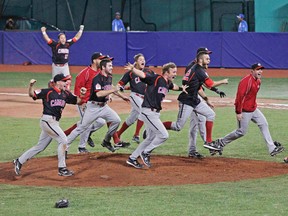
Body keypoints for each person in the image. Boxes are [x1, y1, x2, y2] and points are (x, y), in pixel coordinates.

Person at [13, 74, 87, 177]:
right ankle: (62, 168)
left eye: (66, 81)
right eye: (64, 81)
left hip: (54, 123)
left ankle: (19, 161)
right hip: (47, 120)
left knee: (40, 146)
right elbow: (32, 95)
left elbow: (78, 101)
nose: (66, 83)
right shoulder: (48, 92)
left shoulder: (66, 94)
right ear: (57, 82)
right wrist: (31, 86)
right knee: (63, 140)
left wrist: (82, 95)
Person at [162, 48, 227, 158]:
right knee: (179, 126)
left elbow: (196, 85)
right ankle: (156, 128)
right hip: (187, 100)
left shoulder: (196, 68)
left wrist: (207, 99)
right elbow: (209, 84)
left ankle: (208, 142)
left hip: (195, 99)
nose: (209, 59)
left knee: (210, 114)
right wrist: (222, 82)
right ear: (200, 59)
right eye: (207, 57)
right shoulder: (198, 69)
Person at [213, 63, 284, 156]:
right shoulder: (246, 81)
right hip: (244, 111)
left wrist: (253, 106)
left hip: (253, 109)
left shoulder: (258, 81)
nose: (260, 71)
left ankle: (272, 148)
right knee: (241, 132)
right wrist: (238, 112)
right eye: (258, 69)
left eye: (261, 69)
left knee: (264, 123)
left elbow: (252, 97)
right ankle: (220, 143)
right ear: (252, 71)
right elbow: (239, 97)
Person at [126, 62, 183, 169]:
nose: (175, 74)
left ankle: (132, 158)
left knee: (150, 138)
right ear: (166, 72)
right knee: (164, 135)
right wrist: (133, 69)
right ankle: (146, 152)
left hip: (155, 113)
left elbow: (174, 86)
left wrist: (182, 88)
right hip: (148, 111)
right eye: (173, 72)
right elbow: (143, 75)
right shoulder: (156, 78)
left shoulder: (167, 83)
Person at [66, 59, 130, 153]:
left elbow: (112, 88)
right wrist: (113, 91)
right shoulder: (97, 78)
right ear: (103, 67)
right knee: (82, 127)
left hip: (104, 107)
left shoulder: (109, 77)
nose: (112, 67)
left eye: (112, 65)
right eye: (110, 66)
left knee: (116, 120)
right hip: (93, 107)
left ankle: (106, 141)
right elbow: (99, 94)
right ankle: (65, 146)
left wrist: (123, 96)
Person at [114, 53, 155, 144]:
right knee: (144, 112)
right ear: (136, 62)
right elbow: (120, 84)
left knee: (132, 118)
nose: (143, 61)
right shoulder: (130, 73)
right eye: (140, 59)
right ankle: (136, 135)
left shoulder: (148, 71)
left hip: (145, 98)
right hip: (135, 96)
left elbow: (156, 80)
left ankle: (118, 133)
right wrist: (120, 89)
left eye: (143, 59)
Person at [41, 25, 84, 90]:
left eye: (64, 37)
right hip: (56, 66)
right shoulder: (55, 45)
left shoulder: (67, 44)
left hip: (65, 66)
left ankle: (66, 95)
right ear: (59, 39)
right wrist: (43, 32)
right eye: (61, 38)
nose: (63, 39)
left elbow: (76, 37)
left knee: (68, 82)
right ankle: (51, 89)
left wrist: (81, 29)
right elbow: (47, 39)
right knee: (55, 83)